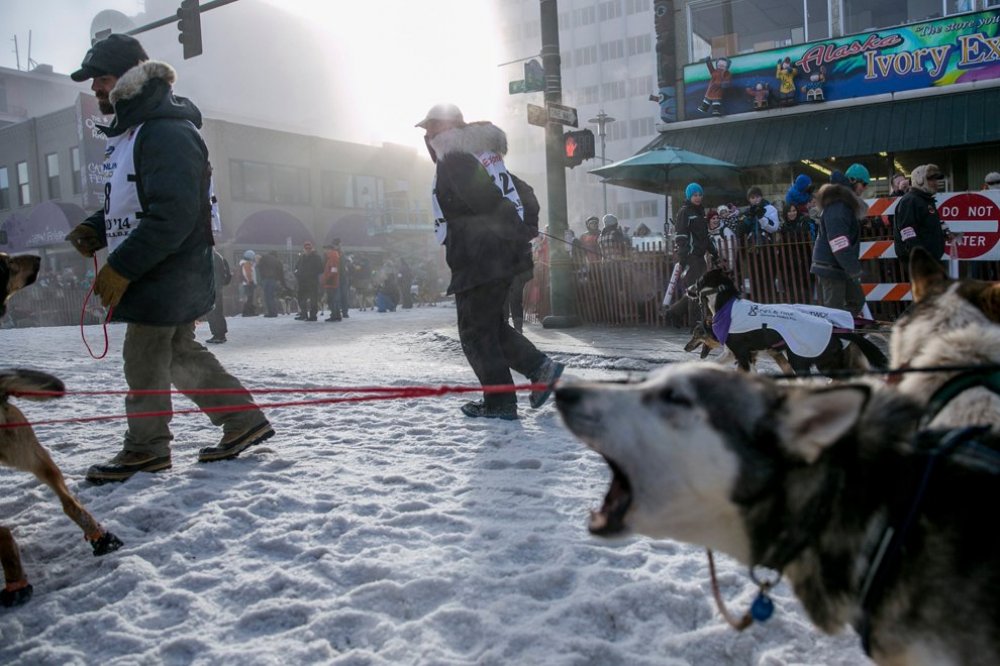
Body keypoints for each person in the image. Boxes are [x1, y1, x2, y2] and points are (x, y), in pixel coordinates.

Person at [63, 34, 273, 483]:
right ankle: (242, 421)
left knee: (144, 358)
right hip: (161, 269)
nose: (96, 88)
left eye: (102, 78)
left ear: (129, 76)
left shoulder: (164, 131)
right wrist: (95, 228)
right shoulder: (138, 130)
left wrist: (121, 267)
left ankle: (146, 449)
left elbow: (173, 214)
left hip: (167, 270)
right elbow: (136, 202)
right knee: (178, 353)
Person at [416, 102, 563, 420]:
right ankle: (538, 371)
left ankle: (504, 399)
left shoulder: (454, 156)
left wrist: (515, 230)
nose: (427, 135)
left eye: (432, 127)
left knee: (474, 333)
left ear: (449, 127)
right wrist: (524, 230)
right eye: (426, 129)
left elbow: (485, 200)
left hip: (480, 258)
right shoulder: (485, 156)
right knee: (490, 329)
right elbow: (525, 193)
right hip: (495, 257)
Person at [809, 164, 869, 315]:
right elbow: (838, 242)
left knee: (856, 301)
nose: (864, 188)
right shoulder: (839, 206)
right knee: (835, 312)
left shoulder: (843, 205)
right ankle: (836, 336)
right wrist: (854, 269)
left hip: (837, 265)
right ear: (853, 181)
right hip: (831, 266)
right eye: (864, 184)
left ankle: (846, 334)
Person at [667, 182, 719, 325]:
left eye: (700, 195)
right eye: (694, 195)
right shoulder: (685, 212)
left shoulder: (700, 213)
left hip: (700, 257)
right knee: (696, 290)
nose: (697, 197)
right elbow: (681, 235)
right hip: (690, 256)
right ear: (689, 196)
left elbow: (704, 236)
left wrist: (713, 251)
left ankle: (673, 312)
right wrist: (684, 256)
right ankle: (695, 324)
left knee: (698, 289)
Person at [894, 164, 947, 267]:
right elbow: (907, 231)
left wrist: (944, 233)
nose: (935, 183)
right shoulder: (910, 201)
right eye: (931, 179)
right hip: (920, 261)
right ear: (919, 180)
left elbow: (928, 224)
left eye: (936, 179)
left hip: (930, 258)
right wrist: (920, 257)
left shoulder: (926, 200)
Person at [294, 241, 323, 321]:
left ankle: (313, 315)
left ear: (312, 248)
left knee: (313, 300)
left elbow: (320, 268)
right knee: (301, 299)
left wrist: (312, 273)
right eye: (306, 248)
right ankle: (304, 314)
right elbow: (296, 267)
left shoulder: (316, 257)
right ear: (304, 249)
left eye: (309, 248)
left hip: (312, 282)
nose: (307, 250)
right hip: (302, 282)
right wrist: (297, 274)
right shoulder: (302, 258)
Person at [205, 249, 230, 343]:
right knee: (216, 311)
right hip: (216, 287)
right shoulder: (218, 256)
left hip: (213, 288)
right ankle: (218, 334)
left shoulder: (211, 257)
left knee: (214, 312)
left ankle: (219, 334)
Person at [255, 250, 285, 318]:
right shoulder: (277, 261)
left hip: (266, 279)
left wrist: (262, 278)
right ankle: (273, 312)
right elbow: (281, 272)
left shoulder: (264, 258)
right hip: (273, 280)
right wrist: (283, 283)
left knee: (267, 296)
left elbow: (259, 266)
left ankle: (271, 312)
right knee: (271, 296)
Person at [321, 242, 342, 322]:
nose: (324, 252)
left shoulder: (333, 257)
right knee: (334, 299)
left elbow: (334, 270)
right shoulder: (332, 257)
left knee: (331, 299)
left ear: (329, 250)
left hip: (331, 282)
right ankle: (337, 315)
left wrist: (328, 278)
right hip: (332, 281)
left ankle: (334, 315)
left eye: (325, 250)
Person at [238, 250, 258, 317]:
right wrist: (250, 281)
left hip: (247, 283)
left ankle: (248, 311)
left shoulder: (245, 263)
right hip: (248, 283)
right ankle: (247, 312)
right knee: (249, 298)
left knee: (249, 298)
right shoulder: (247, 264)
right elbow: (248, 273)